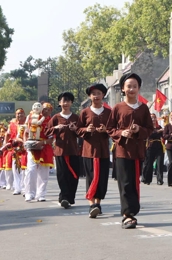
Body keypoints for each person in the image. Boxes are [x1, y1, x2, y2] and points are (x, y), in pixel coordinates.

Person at [106, 73, 153, 229]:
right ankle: (127, 215)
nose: (132, 89)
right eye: (129, 86)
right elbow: (110, 128)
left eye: (135, 86)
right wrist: (121, 133)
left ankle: (132, 211)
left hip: (138, 151)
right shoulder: (118, 108)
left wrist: (139, 129)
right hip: (122, 150)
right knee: (125, 183)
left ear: (139, 88)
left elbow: (149, 129)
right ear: (123, 89)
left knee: (134, 182)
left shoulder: (143, 108)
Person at [79, 83, 112, 218]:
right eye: (93, 94)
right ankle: (91, 203)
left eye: (99, 93)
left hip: (103, 150)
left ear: (103, 95)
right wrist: (87, 130)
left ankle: (98, 203)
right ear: (89, 96)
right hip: (89, 150)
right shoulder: (85, 112)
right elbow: (78, 129)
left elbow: (114, 129)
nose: (96, 96)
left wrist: (106, 130)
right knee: (91, 177)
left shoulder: (109, 112)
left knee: (102, 177)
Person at [47, 92, 82, 209]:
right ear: (59, 103)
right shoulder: (56, 118)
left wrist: (75, 129)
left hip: (73, 151)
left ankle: (69, 197)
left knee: (74, 175)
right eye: (63, 101)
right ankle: (64, 197)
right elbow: (46, 131)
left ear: (71, 103)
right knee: (62, 175)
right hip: (60, 151)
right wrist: (55, 128)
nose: (65, 103)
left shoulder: (76, 118)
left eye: (68, 101)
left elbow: (82, 133)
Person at [22, 103, 54, 202]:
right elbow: (26, 133)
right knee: (31, 171)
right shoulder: (32, 118)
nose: (46, 111)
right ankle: (29, 193)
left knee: (44, 173)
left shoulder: (51, 121)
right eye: (44, 109)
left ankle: (41, 194)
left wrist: (42, 142)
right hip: (32, 147)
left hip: (45, 147)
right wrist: (25, 143)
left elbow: (52, 138)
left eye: (48, 110)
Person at [6, 109, 26, 196]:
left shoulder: (27, 123)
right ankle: (17, 188)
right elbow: (7, 134)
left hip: (25, 149)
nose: (19, 115)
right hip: (15, 150)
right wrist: (7, 145)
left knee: (25, 170)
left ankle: (25, 188)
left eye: (21, 114)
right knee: (15, 170)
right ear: (15, 115)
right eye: (17, 114)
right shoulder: (12, 124)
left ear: (24, 114)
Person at [143, 114, 165, 186]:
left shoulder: (159, 127)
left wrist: (164, 129)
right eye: (151, 118)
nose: (153, 119)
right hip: (150, 145)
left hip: (159, 145)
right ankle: (147, 179)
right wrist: (158, 131)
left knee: (159, 163)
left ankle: (160, 179)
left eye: (154, 118)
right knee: (149, 163)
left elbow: (163, 136)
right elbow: (149, 134)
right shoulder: (148, 127)